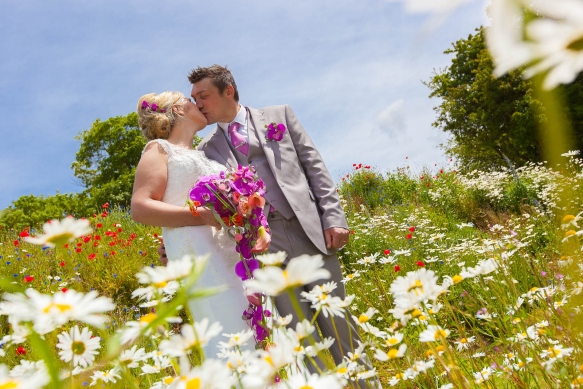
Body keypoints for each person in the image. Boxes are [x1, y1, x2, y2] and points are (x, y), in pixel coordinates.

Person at [159, 65, 376, 386]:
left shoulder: (280, 115)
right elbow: (190, 195)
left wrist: (334, 218)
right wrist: (170, 241)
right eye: (194, 99)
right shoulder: (206, 150)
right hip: (262, 251)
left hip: (310, 233)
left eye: (203, 96)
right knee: (298, 336)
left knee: (338, 320)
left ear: (228, 90)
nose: (199, 104)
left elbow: (315, 168)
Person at [130, 91, 265, 356]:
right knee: (227, 333)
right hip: (198, 254)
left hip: (232, 252)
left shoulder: (206, 156)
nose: (199, 105)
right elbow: (140, 207)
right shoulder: (159, 149)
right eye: (191, 101)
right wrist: (200, 215)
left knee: (253, 330)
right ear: (179, 110)